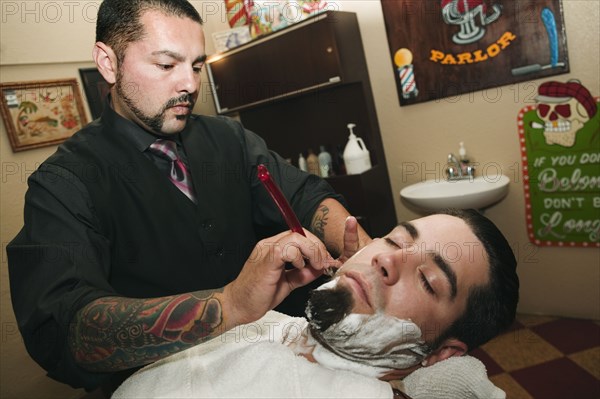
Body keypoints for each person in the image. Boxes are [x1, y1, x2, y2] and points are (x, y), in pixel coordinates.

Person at [6, 0, 371, 393]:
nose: (190, 84)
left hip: (272, 364)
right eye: (166, 65)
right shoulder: (64, 183)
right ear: (108, 63)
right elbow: (68, 328)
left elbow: (304, 193)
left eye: (197, 66)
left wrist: (368, 256)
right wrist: (228, 305)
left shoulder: (228, 139)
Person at [111, 209, 519, 398]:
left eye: (428, 279)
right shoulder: (258, 322)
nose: (385, 258)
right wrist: (232, 303)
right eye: (394, 239)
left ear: (443, 353)